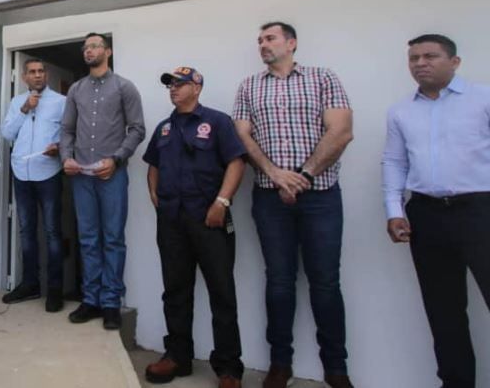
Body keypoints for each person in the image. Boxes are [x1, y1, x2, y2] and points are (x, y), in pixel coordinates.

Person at [232, 22, 354, 388]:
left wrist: (303, 175)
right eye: (259, 41)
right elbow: (241, 135)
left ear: (292, 42)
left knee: (326, 283)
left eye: (269, 38)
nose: (263, 45)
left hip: (321, 197)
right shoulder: (248, 86)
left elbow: (342, 130)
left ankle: (336, 369)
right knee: (280, 282)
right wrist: (274, 173)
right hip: (270, 198)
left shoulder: (323, 78)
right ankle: (279, 365)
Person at [381, 34, 490, 388]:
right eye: (413, 58)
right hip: (427, 215)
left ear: (454, 62)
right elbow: (394, 162)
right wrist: (394, 210)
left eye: (430, 56)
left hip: (480, 210)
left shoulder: (483, 99)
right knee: (444, 311)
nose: (420, 63)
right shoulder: (401, 111)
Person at [142, 66, 246, 388]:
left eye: (179, 83)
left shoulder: (217, 122)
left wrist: (222, 203)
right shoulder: (163, 129)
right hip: (172, 222)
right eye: (170, 84)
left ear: (197, 87)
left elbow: (236, 162)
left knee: (222, 293)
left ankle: (228, 367)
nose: (173, 88)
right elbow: (153, 167)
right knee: (175, 291)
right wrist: (155, 195)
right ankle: (177, 356)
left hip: (209, 220)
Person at [61, 32, 145, 330]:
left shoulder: (124, 87)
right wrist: (66, 158)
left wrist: (117, 159)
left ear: (107, 51)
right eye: (85, 47)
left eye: (94, 46)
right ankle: (91, 300)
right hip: (81, 176)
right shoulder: (75, 90)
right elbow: (67, 130)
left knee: (112, 239)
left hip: (112, 175)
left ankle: (111, 302)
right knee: (88, 239)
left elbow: (137, 129)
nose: (88, 51)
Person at [1, 58, 66, 312]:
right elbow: (7, 134)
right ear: (25, 77)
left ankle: (55, 290)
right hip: (21, 173)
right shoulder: (17, 102)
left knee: (52, 233)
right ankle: (30, 284)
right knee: (26, 231)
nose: (37, 76)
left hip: (48, 172)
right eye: (32, 72)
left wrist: (59, 147)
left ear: (46, 74)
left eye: (41, 71)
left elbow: (69, 134)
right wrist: (24, 109)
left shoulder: (61, 102)